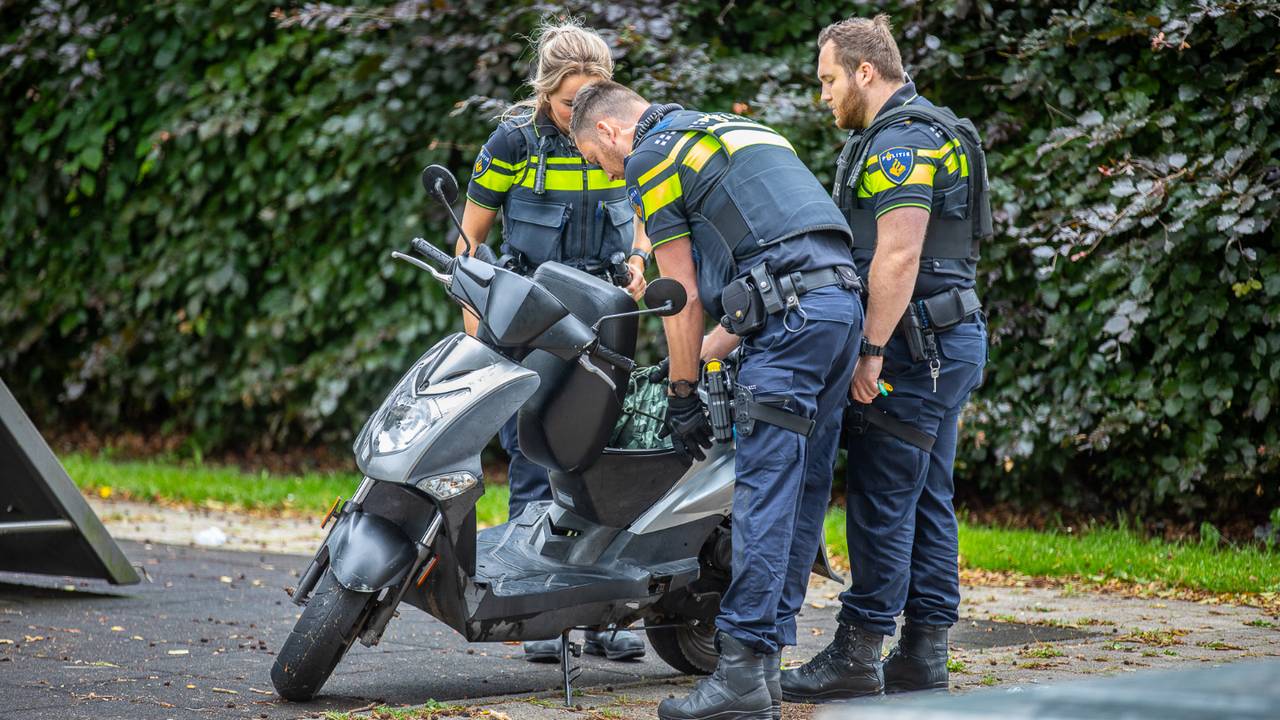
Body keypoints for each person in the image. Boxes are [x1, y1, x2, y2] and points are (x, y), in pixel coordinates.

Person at [572, 82, 863, 720]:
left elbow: (678, 294)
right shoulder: (734, 131)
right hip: (839, 310)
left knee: (762, 491)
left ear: (611, 132)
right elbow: (778, 258)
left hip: (789, 327)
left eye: (597, 160)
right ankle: (765, 669)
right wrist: (705, 354)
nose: (610, 174)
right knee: (803, 489)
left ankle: (740, 674)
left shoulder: (653, 157)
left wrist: (682, 391)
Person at [780, 15, 991, 703]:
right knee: (926, 493)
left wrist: (869, 350)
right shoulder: (933, 128)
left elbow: (898, 255)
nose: (824, 95)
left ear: (864, 72)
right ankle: (924, 652)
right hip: (945, 339)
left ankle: (859, 650)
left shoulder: (899, 142)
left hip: (913, 348)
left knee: (881, 495)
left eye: (828, 80)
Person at [458, 19, 649, 664]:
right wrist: (480, 329)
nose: (584, 113)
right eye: (571, 102)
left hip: (605, 321)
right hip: (533, 321)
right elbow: (470, 242)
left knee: (605, 465)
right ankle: (538, 617)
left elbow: (649, 213)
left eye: (594, 97)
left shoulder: (626, 134)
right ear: (545, 94)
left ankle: (602, 619)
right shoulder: (512, 143)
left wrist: (640, 259)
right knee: (535, 463)